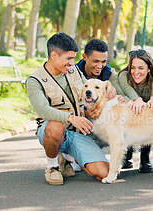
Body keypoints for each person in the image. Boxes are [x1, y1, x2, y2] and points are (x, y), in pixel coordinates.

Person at [25, 33, 109, 185]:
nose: (72, 63)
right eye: (69, 58)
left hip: (78, 134)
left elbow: (88, 90)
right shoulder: (34, 80)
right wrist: (71, 118)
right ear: (54, 55)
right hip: (54, 132)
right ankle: (53, 166)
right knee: (57, 125)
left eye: (73, 58)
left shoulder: (73, 71)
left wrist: (92, 108)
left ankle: (69, 157)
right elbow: (43, 110)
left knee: (104, 174)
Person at [118, 49, 153, 173]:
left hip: (148, 114)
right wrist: (136, 100)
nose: (136, 72)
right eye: (133, 68)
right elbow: (128, 94)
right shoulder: (123, 76)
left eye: (141, 68)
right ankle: (127, 153)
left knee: (149, 114)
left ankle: (145, 156)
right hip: (129, 110)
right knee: (127, 111)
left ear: (149, 68)